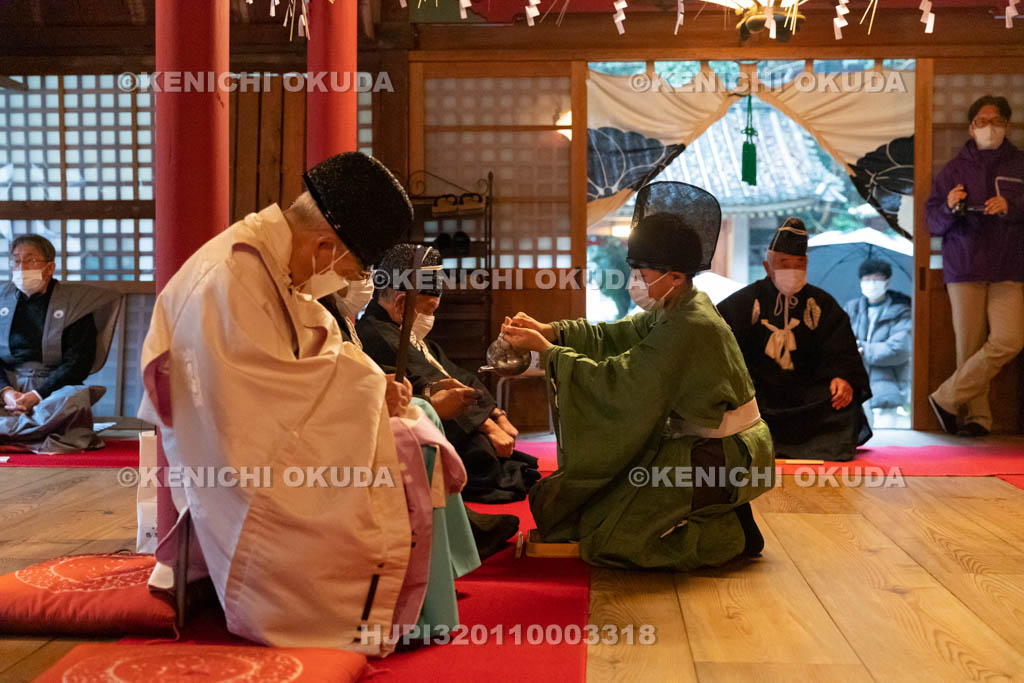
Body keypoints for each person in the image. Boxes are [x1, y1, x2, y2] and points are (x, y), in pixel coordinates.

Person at [139, 152, 461, 655]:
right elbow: (250, 401)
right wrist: (372, 393)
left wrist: (375, 383)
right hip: (239, 464)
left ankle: (415, 603)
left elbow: (318, 346)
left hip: (273, 431)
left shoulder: (272, 261)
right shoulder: (230, 278)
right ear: (326, 245)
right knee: (408, 445)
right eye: (351, 268)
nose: (346, 280)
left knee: (418, 425)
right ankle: (389, 609)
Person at [501, 182, 774, 571]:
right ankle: (714, 511)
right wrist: (553, 331)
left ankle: (728, 534)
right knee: (592, 511)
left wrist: (549, 355)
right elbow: (620, 336)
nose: (635, 282)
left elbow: (622, 382)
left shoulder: (689, 324)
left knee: (608, 541)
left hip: (718, 457)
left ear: (675, 276)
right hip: (698, 445)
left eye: (642, 272)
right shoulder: (680, 306)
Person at [357, 243, 541, 506]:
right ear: (401, 303)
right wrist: (488, 428)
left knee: (506, 460)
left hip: (458, 427)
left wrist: (496, 416)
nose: (431, 318)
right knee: (486, 456)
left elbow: (459, 376)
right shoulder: (378, 335)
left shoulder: (406, 333)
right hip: (419, 429)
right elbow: (430, 384)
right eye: (430, 310)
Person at [717, 218, 872, 461]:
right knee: (729, 408)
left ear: (807, 265)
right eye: (784, 264)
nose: (793, 271)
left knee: (843, 407)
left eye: (799, 264)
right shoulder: (747, 301)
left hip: (807, 394)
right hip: (759, 395)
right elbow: (719, 342)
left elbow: (840, 348)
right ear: (768, 267)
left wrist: (843, 378)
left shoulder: (821, 304)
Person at [925, 95, 1024, 437]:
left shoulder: (1020, 164)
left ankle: (945, 398)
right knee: (968, 346)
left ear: (1007, 125)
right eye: (981, 122)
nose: (989, 128)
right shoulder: (954, 168)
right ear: (970, 127)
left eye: (996, 121)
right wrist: (951, 207)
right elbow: (932, 223)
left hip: (1008, 266)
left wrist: (1011, 207)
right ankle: (978, 419)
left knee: (1010, 339)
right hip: (964, 265)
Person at [0, 234, 121, 453]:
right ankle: (33, 435)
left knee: (74, 400)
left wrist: (37, 395)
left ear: (49, 267)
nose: (21, 267)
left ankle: (10, 434)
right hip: (8, 388)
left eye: (30, 260)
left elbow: (78, 362)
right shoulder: (2, 300)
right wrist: (6, 392)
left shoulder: (75, 304)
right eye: (16, 260)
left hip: (52, 390)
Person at [844, 258, 912, 429]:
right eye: (867, 279)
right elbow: (840, 342)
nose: (871, 284)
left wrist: (863, 349)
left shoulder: (902, 311)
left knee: (888, 441)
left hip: (888, 390)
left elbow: (899, 349)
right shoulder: (851, 309)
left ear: (887, 281)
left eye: (877, 279)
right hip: (855, 388)